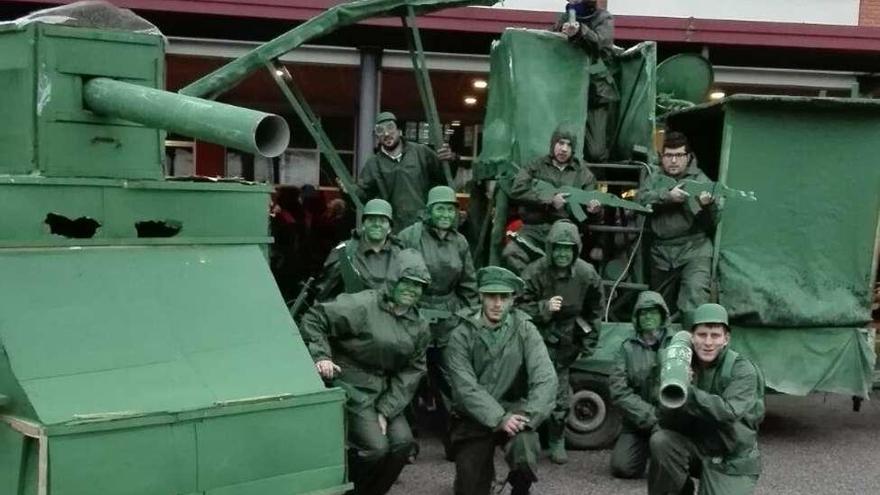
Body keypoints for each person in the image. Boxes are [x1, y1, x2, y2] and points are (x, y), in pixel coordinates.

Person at [299, 249, 432, 495]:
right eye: (406, 281)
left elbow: (414, 369)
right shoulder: (363, 304)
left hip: (386, 389)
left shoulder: (420, 324)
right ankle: (347, 491)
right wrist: (322, 356)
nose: (411, 289)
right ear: (393, 279)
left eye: (419, 285)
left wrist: (386, 409)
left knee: (403, 444)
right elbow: (315, 318)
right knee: (375, 448)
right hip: (353, 381)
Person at [445, 266, 557, 495]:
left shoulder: (525, 329)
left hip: (513, 406)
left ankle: (521, 487)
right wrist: (498, 418)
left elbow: (545, 377)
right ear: (481, 297)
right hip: (473, 415)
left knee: (525, 448)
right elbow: (464, 387)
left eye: (504, 297)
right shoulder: (461, 334)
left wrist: (529, 416)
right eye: (491, 296)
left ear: (512, 300)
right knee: (471, 487)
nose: (497, 303)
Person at [648, 303, 765, 495]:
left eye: (715, 335)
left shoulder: (742, 369)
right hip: (697, 447)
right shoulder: (683, 365)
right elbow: (663, 417)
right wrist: (670, 377)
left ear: (726, 339)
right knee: (661, 441)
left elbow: (728, 412)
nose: (708, 342)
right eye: (702, 335)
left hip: (732, 458)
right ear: (692, 338)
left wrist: (689, 391)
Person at [398, 185, 479, 452]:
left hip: (449, 315)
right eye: (440, 208)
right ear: (428, 211)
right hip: (414, 311)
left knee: (450, 379)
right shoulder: (410, 236)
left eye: (450, 209)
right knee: (408, 376)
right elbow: (395, 277)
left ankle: (453, 439)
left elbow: (468, 283)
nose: (445, 214)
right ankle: (407, 442)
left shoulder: (460, 242)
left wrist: (470, 317)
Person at [519, 219, 604, 464]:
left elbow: (595, 309)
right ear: (550, 249)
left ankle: (557, 440)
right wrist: (543, 308)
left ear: (575, 250)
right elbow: (516, 307)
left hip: (567, 340)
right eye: (558, 248)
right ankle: (526, 440)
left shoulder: (586, 274)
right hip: (535, 338)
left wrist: (589, 342)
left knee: (560, 399)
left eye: (568, 248)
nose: (563, 253)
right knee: (530, 393)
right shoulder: (535, 272)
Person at [637, 131, 717, 322]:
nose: (673, 161)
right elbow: (639, 201)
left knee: (693, 300)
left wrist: (707, 206)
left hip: (694, 250)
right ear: (662, 157)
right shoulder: (654, 178)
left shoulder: (700, 180)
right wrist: (667, 196)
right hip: (661, 252)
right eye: (668, 155)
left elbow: (713, 221)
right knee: (658, 308)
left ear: (688, 157)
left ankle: (694, 347)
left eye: (679, 155)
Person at [504, 126, 600, 274]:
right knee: (512, 253)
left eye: (569, 145)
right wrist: (548, 199)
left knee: (561, 264)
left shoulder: (583, 174)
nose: (564, 149)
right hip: (533, 229)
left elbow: (591, 205)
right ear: (553, 143)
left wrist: (593, 210)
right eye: (560, 143)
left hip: (565, 230)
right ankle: (531, 288)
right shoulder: (535, 166)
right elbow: (517, 190)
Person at [608, 290, 672, 478]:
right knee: (622, 467)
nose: (648, 316)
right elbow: (618, 390)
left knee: (675, 468)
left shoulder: (677, 343)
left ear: (663, 316)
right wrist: (650, 417)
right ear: (636, 317)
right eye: (643, 313)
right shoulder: (626, 347)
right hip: (638, 420)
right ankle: (649, 447)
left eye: (653, 312)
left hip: (671, 419)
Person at [357, 111, 454, 232]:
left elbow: (444, 177)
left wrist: (449, 161)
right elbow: (362, 196)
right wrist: (347, 190)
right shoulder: (373, 164)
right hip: (393, 230)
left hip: (424, 226)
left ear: (399, 130)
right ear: (377, 136)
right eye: (380, 130)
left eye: (390, 127)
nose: (386, 133)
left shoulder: (421, 152)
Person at [555, 0, 619, 162]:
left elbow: (603, 44)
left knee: (597, 151)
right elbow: (550, 43)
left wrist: (580, 31)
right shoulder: (565, 17)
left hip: (596, 93)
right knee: (562, 143)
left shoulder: (603, 18)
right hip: (568, 91)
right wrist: (560, 32)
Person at [312, 198, 403, 302]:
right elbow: (324, 292)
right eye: (371, 219)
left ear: (390, 228)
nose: (377, 224)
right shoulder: (345, 251)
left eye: (383, 221)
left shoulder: (400, 254)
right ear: (363, 225)